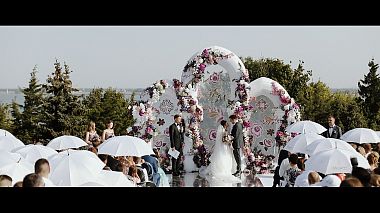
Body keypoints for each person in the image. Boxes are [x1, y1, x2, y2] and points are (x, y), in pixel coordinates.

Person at [202, 120, 241, 185]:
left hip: (224, 147)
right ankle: (223, 170)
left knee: (224, 157)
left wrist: (229, 140)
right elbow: (224, 140)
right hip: (224, 147)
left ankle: (223, 169)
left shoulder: (222, 131)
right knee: (225, 157)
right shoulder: (224, 131)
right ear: (224, 125)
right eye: (226, 124)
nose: (227, 125)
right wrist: (229, 141)